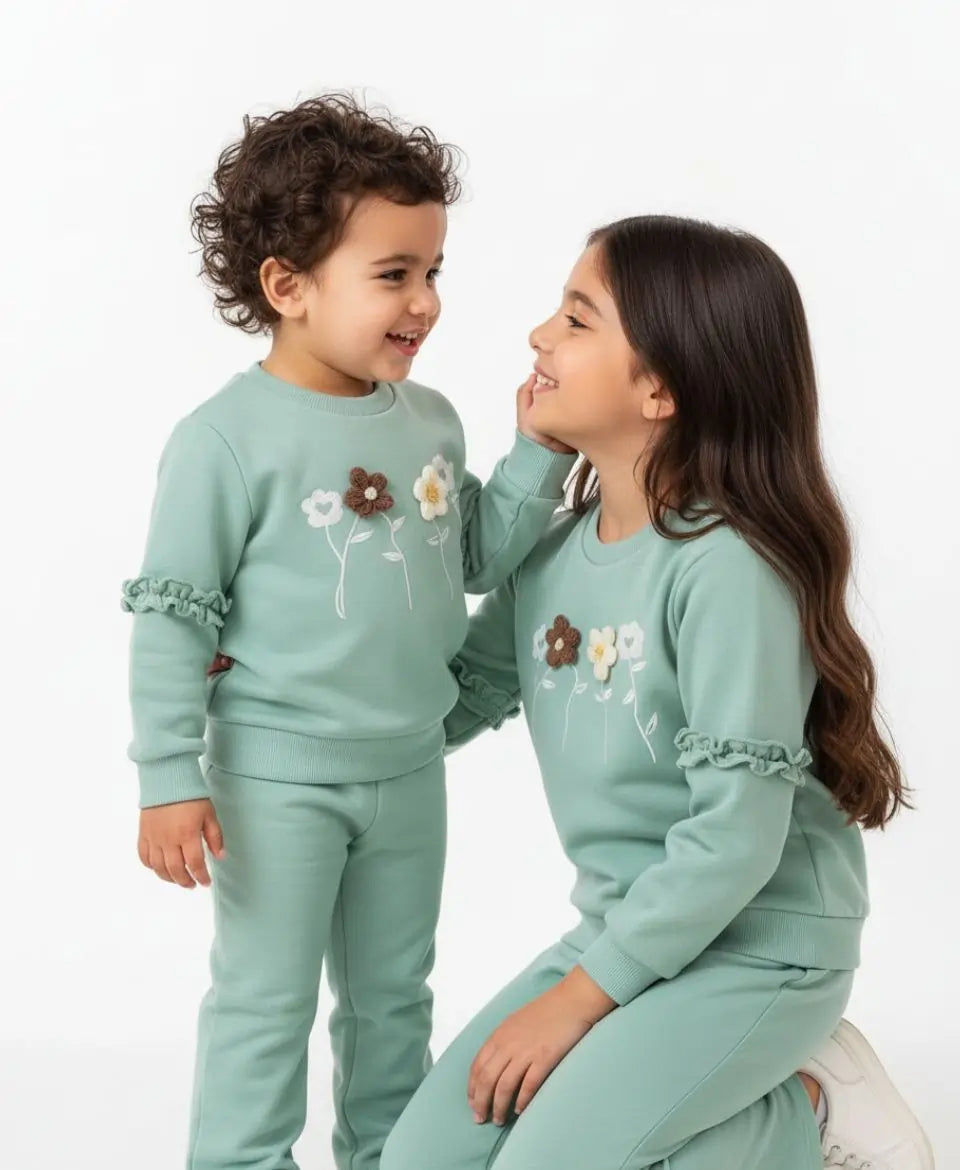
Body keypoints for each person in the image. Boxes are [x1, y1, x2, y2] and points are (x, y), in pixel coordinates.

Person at [382, 215, 934, 1170]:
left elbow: (733, 843)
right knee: (423, 1161)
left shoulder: (727, 570)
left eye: (577, 319)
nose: (538, 337)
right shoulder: (552, 555)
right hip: (627, 931)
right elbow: (457, 698)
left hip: (761, 943)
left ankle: (806, 1109)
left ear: (661, 387)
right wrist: (295, 681)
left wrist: (576, 1003)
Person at [121, 94, 576, 1170]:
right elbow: (172, 613)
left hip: (409, 773)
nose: (424, 302)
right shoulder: (223, 442)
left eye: (433, 272)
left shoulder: (427, 419)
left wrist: (538, 449)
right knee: (265, 999)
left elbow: (472, 555)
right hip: (274, 781)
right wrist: (164, 776)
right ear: (287, 287)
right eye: (393, 275)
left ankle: (388, 1156)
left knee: (392, 998)